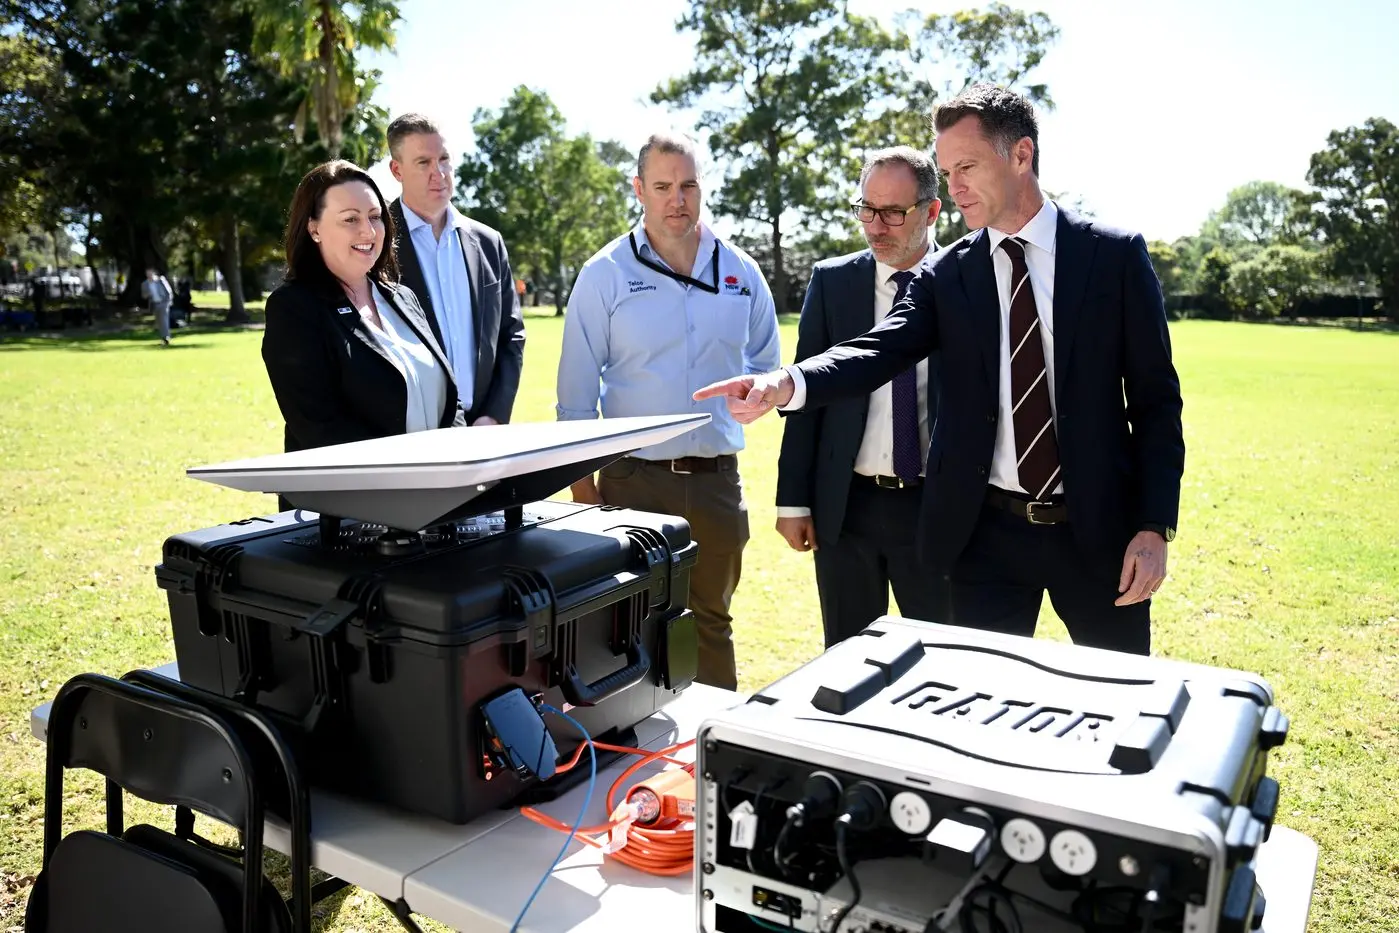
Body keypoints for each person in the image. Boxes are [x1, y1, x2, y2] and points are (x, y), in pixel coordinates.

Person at [695, 85, 1184, 656]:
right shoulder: (948, 274)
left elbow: (1155, 403)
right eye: (947, 172)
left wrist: (1153, 525)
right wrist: (785, 383)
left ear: (1021, 155)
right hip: (987, 542)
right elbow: (880, 348)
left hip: (1101, 535)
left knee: (1115, 695)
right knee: (979, 699)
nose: (953, 188)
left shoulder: (1113, 257)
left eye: (966, 167)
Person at [556, 131, 782, 690]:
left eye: (688, 186)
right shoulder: (605, 273)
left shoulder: (741, 271)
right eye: (662, 187)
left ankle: (713, 739)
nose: (676, 200)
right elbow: (575, 400)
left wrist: (757, 395)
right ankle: (630, 741)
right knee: (625, 629)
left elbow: (768, 366)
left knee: (713, 624)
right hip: (631, 483)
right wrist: (586, 496)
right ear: (638, 189)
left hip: (716, 484)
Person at [776, 146, 945, 648]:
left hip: (937, 510)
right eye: (866, 209)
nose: (875, 226)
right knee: (846, 658)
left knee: (943, 659)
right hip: (846, 508)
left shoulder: (966, 279)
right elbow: (808, 395)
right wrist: (793, 500)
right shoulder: (833, 282)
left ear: (932, 211)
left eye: (892, 213)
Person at [261, 160, 465, 476]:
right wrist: (412, 474)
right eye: (350, 219)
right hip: (352, 500)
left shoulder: (403, 298)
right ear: (314, 228)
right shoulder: (294, 308)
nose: (368, 231)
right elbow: (318, 427)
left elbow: (450, 403)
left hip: (438, 492)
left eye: (374, 216)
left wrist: (460, 468)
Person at [386, 113, 525, 426]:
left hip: (484, 430)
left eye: (444, 159)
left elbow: (511, 334)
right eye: (423, 162)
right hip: (413, 431)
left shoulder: (489, 242)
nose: (439, 173)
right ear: (397, 170)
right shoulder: (376, 244)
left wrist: (494, 414)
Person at [141, 268, 174, 346]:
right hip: (155, 304)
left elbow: (169, 292)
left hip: (163, 303)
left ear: (153, 273)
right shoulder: (145, 284)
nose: (149, 275)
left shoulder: (161, 280)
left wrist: (168, 301)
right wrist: (148, 294)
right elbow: (144, 296)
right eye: (147, 274)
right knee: (159, 322)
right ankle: (163, 337)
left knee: (164, 320)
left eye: (150, 273)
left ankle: (166, 337)